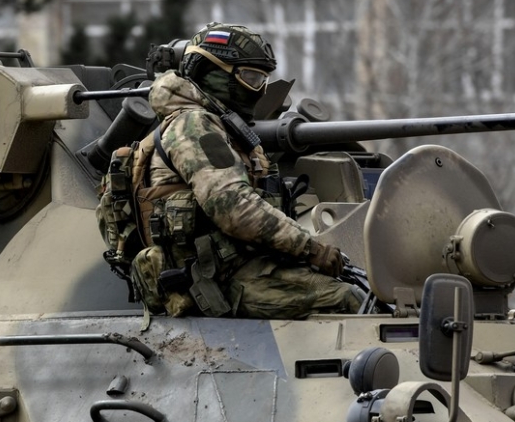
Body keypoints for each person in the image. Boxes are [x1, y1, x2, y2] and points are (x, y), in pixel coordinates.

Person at [130, 22, 364, 319]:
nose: (260, 90)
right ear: (210, 73)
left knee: (360, 290)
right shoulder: (193, 125)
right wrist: (311, 249)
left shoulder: (223, 126)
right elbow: (232, 207)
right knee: (347, 299)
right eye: (251, 78)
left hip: (245, 269)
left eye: (264, 79)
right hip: (213, 282)